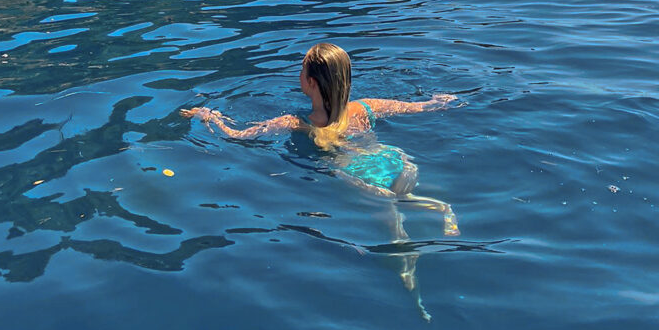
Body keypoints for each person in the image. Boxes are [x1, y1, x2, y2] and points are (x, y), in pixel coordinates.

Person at [181, 42, 460, 237]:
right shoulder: (366, 107)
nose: (299, 75)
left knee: (395, 234)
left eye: (302, 70)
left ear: (311, 82)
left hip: (360, 175)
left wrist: (208, 116)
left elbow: (237, 137)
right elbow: (419, 107)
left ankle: (407, 257)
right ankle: (443, 209)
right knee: (407, 198)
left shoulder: (295, 123)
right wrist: (440, 101)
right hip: (395, 161)